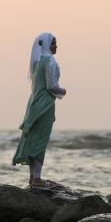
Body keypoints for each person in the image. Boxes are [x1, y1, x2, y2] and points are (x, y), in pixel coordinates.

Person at [12, 32, 66, 188]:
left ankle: (33, 178)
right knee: (40, 140)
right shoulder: (49, 62)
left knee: (33, 138)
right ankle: (36, 179)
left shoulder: (36, 63)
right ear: (46, 45)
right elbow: (51, 86)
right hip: (45, 105)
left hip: (34, 104)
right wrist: (62, 91)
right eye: (54, 43)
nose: (56, 46)